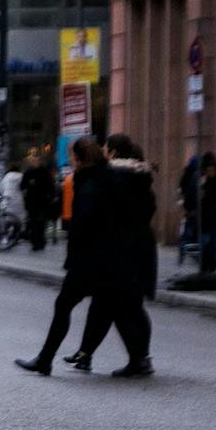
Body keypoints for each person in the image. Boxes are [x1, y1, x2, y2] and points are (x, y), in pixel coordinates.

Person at [15, 136, 123, 375]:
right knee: (100, 307)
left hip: (89, 259)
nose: (71, 162)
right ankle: (85, 356)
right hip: (111, 258)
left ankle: (45, 359)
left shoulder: (88, 183)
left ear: (81, 160)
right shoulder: (110, 178)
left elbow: (84, 224)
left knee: (63, 304)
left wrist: (75, 253)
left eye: (73, 158)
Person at [65, 134, 156, 377]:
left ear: (113, 153)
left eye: (105, 148)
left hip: (121, 248)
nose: (103, 152)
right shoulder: (140, 176)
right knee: (132, 305)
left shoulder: (115, 177)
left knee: (117, 304)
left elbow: (107, 213)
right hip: (142, 246)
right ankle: (138, 357)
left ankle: (137, 360)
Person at [20, 150, 58, 252]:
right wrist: (29, 184)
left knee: (41, 221)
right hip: (31, 201)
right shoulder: (28, 172)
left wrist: (53, 195)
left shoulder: (44, 171)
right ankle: (35, 241)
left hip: (43, 200)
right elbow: (22, 186)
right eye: (32, 159)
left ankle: (40, 240)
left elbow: (50, 184)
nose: (34, 161)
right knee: (33, 221)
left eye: (36, 159)